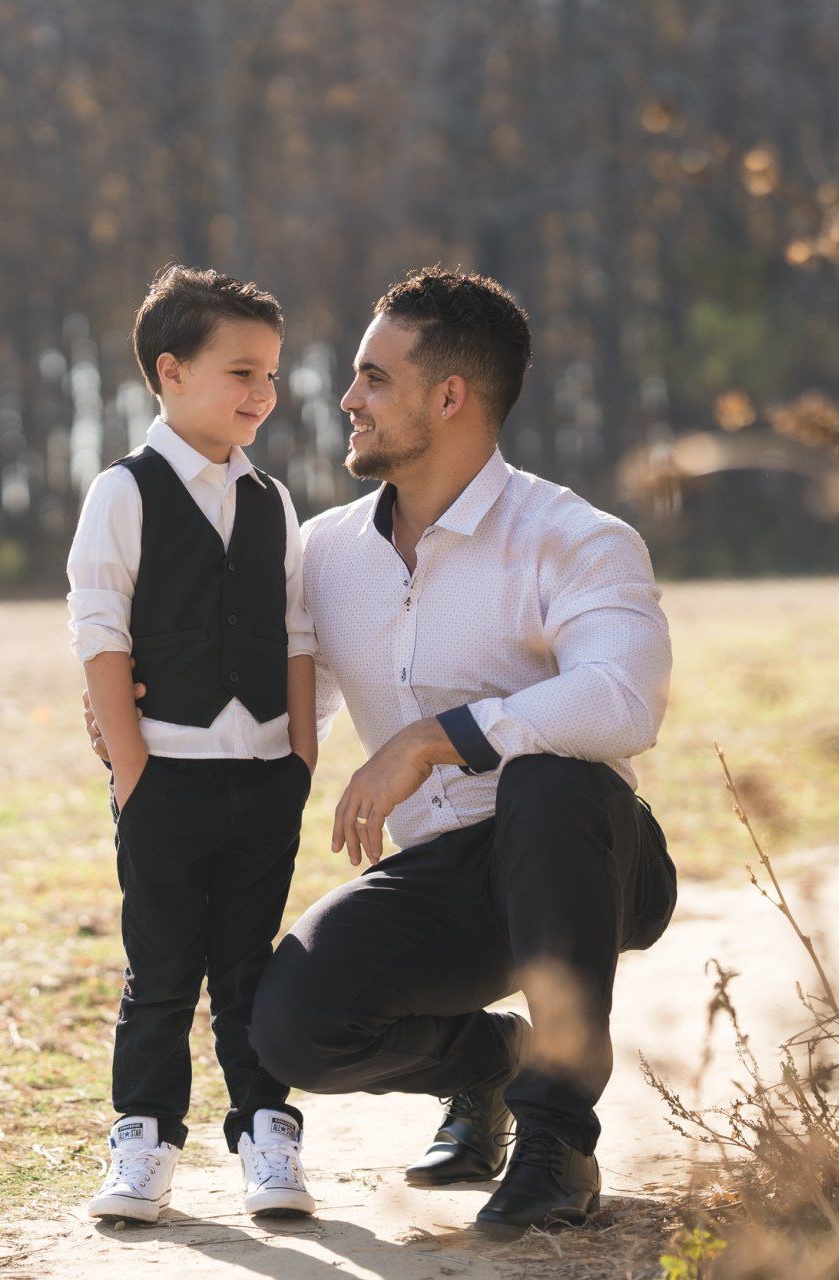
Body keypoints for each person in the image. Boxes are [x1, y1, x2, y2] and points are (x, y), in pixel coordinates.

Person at [87, 266, 678, 1238]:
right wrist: (144, 714)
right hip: (447, 877)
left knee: (543, 781)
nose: (344, 400)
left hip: (593, 857)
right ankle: (504, 1063)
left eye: (372, 379)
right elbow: (276, 706)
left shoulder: (572, 536)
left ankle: (557, 1137)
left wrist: (439, 737)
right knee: (292, 1024)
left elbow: (623, 698)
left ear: (450, 397)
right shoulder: (322, 553)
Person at [66, 264, 319, 1225]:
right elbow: (100, 634)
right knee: (162, 969)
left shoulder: (272, 502)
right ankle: (145, 1139)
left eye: (271, 376)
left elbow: (297, 636)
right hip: (163, 775)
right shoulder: (123, 494)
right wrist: (132, 770)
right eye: (242, 373)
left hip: (263, 777)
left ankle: (266, 1132)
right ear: (170, 373)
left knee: (248, 966)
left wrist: (298, 759)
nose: (264, 394)